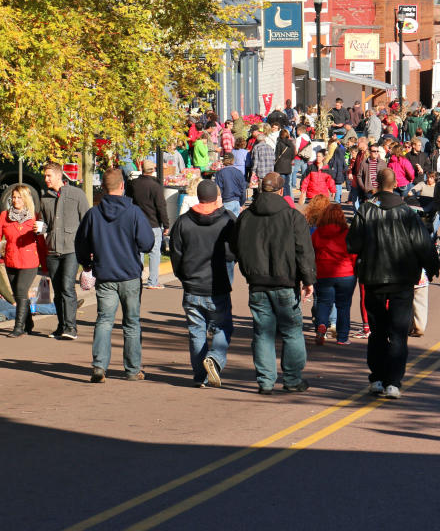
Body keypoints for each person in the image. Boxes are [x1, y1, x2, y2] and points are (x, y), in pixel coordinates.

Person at [346, 168, 440, 400]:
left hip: (374, 277)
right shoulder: (406, 212)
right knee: (398, 332)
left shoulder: (366, 210)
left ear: (377, 184)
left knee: (377, 332)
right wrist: (432, 265)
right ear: (396, 184)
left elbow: (353, 244)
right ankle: (393, 382)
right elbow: (422, 243)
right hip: (401, 278)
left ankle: (377, 378)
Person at [235, 172, 316, 395]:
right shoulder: (292, 216)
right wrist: (309, 279)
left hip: (258, 282)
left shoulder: (246, 217)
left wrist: (248, 271)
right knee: (291, 332)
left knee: (263, 332)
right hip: (285, 282)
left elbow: (237, 247)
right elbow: (304, 251)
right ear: (282, 191)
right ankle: (291, 379)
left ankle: (266, 380)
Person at [75, 168, 155, 383]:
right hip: (129, 274)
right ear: (122, 186)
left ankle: (99, 365)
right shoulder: (134, 212)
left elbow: (81, 244)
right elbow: (147, 243)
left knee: (104, 320)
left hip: (106, 274)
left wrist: (88, 264)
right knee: (131, 323)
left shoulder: (94, 214)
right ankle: (132, 369)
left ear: (103, 188)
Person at [168, 180, 236, 388]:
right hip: (218, 285)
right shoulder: (227, 220)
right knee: (223, 326)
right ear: (216, 197)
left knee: (196, 331)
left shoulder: (183, 222)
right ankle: (214, 358)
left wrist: (182, 276)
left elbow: (176, 253)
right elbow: (232, 252)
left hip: (192, 285)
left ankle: (200, 376)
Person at [0, 184, 48, 337]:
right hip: (11, 259)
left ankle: (18, 327)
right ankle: (29, 323)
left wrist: (45, 263)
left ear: (26, 199)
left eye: (19, 197)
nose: (15, 200)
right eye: (14, 197)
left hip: (29, 260)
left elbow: (41, 242)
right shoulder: (5, 215)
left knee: (22, 290)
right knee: (18, 294)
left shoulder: (34, 217)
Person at [42, 163, 89, 340]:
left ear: (58, 176)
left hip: (71, 249)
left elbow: (87, 221)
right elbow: (46, 223)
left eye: (48, 176)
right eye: (45, 176)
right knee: (57, 290)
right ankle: (61, 326)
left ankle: (71, 328)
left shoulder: (77, 194)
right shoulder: (45, 198)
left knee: (67, 286)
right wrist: (41, 228)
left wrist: (88, 247)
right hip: (52, 249)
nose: (46, 179)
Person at [311, 203, 357, 346]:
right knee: (343, 305)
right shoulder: (347, 233)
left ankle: (321, 326)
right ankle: (342, 337)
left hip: (324, 272)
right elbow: (354, 254)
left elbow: (312, 252)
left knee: (324, 303)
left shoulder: (317, 233)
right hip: (346, 273)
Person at [129, 160, 171, 290]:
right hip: (153, 223)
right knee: (154, 252)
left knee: (139, 252)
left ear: (141, 168)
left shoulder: (133, 184)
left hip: (138, 223)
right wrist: (166, 224)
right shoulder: (156, 186)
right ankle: (153, 281)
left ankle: (137, 278)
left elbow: (129, 202)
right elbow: (161, 206)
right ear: (153, 170)